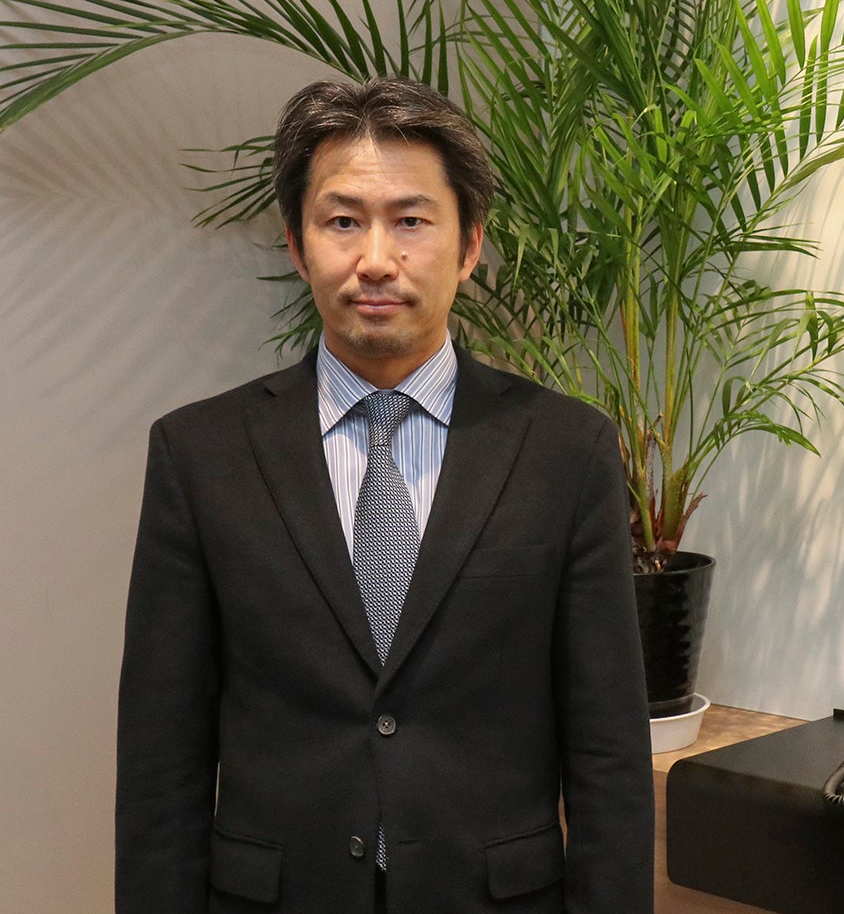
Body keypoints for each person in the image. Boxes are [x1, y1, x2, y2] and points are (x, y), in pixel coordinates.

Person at [115, 75, 654, 914]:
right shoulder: (199, 454)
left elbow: (608, 752)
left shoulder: (566, 450)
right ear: (297, 246)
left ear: (468, 246)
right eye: (342, 221)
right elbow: (161, 759)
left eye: (410, 221)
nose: (374, 259)